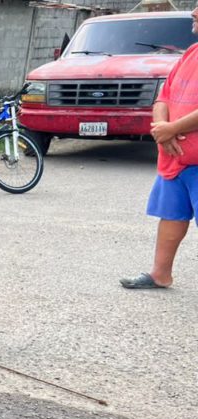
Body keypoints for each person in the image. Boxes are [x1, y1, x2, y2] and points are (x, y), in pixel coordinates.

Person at [120, 8, 198, 289]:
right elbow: (163, 96)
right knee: (171, 215)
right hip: (174, 158)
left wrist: (172, 129)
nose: (194, 11)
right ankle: (160, 274)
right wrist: (161, 129)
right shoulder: (191, 53)